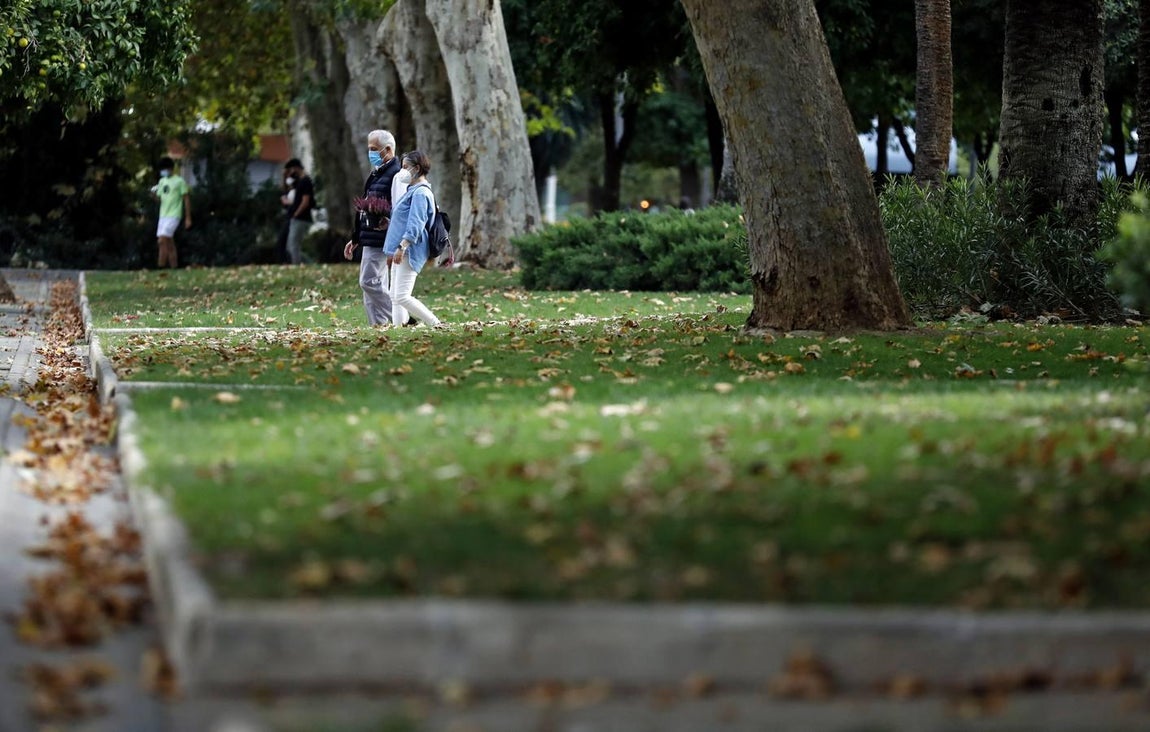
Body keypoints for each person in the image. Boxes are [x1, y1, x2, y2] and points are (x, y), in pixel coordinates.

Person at [342, 130, 411, 325]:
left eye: (374, 149)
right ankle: (379, 326)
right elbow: (365, 205)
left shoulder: (396, 175)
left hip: (382, 236)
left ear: (388, 150)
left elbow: (399, 206)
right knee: (373, 284)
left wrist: (389, 224)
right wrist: (356, 238)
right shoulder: (377, 172)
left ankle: (403, 318)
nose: (370, 153)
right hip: (369, 235)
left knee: (368, 281)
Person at [384, 150, 441, 328]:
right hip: (400, 247)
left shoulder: (420, 193)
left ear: (417, 168)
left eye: (406, 167)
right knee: (395, 295)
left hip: (410, 248)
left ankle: (435, 323)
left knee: (402, 295)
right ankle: (400, 328)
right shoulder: (413, 191)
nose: (402, 171)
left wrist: (403, 246)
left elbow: (416, 223)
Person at [150, 156, 191, 268]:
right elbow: (160, 198)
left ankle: (160, 266)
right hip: (163, 215)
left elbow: (186, 199)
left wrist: (188, 218)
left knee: (161, 240)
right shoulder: (162, 181)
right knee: (169, 243)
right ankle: (174, 267)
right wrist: (153, 195)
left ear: (171, 168)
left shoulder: (179, 181)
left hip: (174, 215)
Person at [283, 158, 314, 264]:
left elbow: (305, 201)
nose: (291, 172)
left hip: (301, 218)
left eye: (291, 169)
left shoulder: (306, 181)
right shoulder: (300, 181)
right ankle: (306, 263)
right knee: (291, 246)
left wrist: (296, 214)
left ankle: (298, 265)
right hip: (297, 218)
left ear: (296, 168)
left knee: (293, 245)